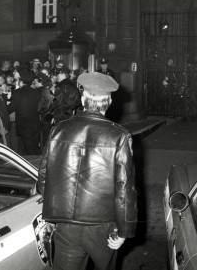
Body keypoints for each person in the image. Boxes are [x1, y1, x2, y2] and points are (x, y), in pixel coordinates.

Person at [37, 72, 137, 270]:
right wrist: (125, 230)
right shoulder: (119, 136)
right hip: (103, 227)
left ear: (83, 99)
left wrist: (57, 210)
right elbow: (125, 189)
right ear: (108, 102)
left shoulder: (59, 129)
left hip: (66, 225)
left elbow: (43, 178)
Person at [8, 69, 42, 155]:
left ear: (21, 81)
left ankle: (31, 166)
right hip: (35, 123)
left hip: (23, 125)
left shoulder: (16, 93)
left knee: (26, 150)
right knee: (33, 147)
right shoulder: (37, 92)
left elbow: (10, 109)